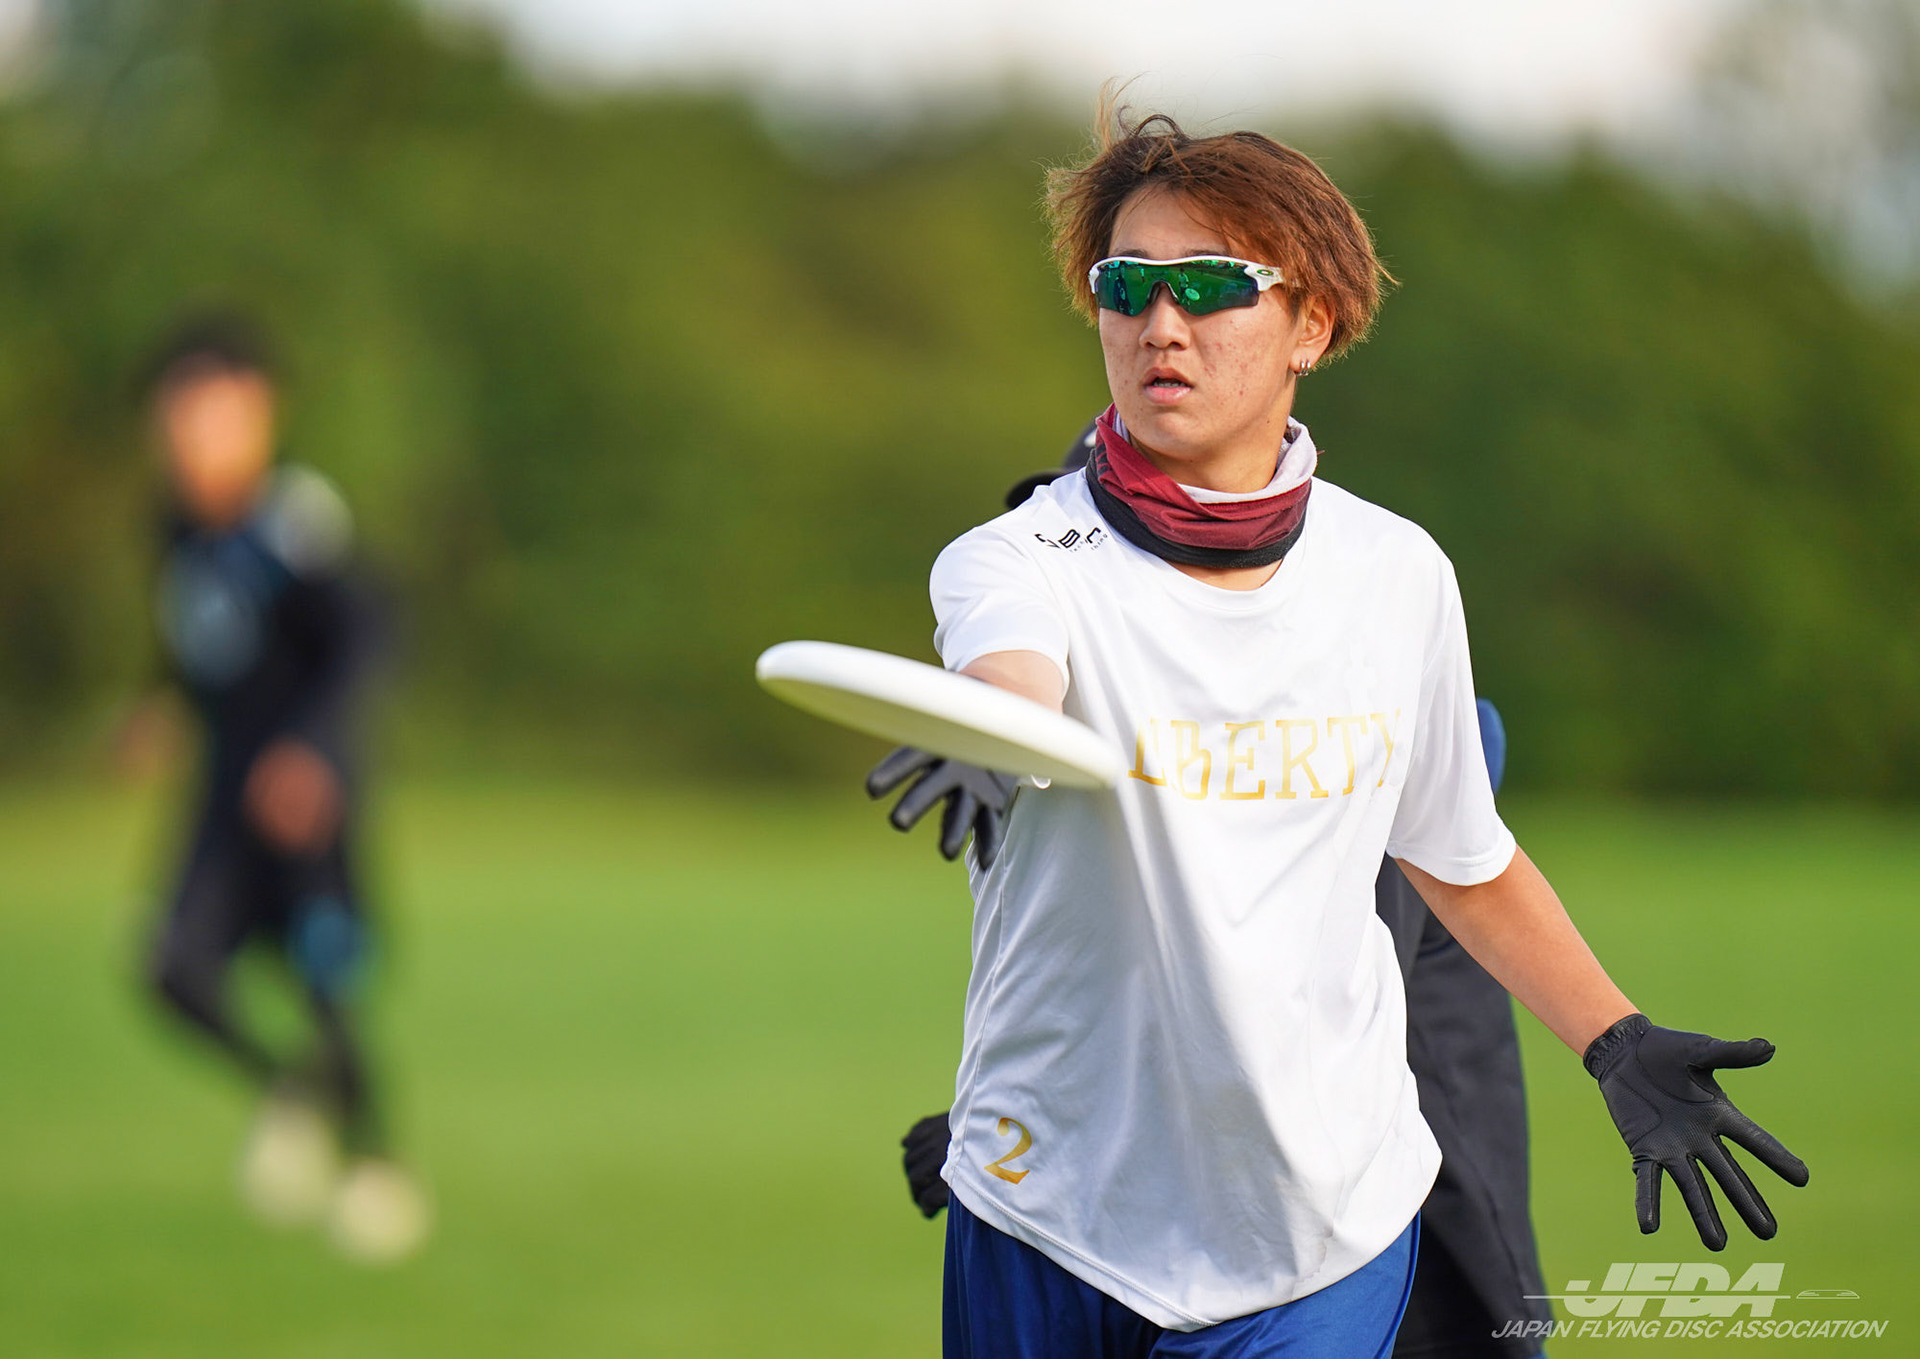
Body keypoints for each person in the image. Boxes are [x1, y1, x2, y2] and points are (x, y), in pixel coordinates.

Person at [865, 111, 1805, 1358]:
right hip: (1048, 1211)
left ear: (1311, 324)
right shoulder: (1016, 555)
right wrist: (990, 730)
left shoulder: (1397, 572)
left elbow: (1459, 856)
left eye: (1211, 286)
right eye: (1126, 286)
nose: (1161, 324)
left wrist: (1614, 1040)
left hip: (1318, 1237)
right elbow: (1014, 675)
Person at [885, 433, 1551, 1358]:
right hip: (1208, 1172)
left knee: (1470, 1314)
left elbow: (1278, 976)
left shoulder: (1345, 659)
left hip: (1387, 1129)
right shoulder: (1081, 619)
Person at [132, 312, 428, 1262]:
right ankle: (289, 1092)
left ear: (261, 416)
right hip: (221, 801)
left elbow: (366, 639)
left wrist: (312, 749)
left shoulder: (293, 523)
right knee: (172, 970)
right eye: (179, 418)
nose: (192, 439)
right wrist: (160, 707)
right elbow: (203, 648)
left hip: (303, 804)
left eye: (213, 417)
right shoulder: (176, 529)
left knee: (326, 987)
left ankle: (376, 1161)